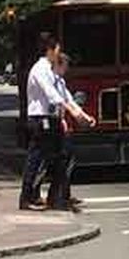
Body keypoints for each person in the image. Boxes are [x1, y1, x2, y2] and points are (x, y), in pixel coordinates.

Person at [21, 35, 94, 212]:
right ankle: (28, 197)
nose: (58, 54)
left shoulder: (49, 71)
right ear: (50, 50)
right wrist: (73, 113)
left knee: (61, 156)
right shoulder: (39, 69)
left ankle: (57, 197)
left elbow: (65, 95)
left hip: (50, 118)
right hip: (40, 118)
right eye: (57, 50)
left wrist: (81, 114)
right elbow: (52, 95)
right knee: (37, 158)